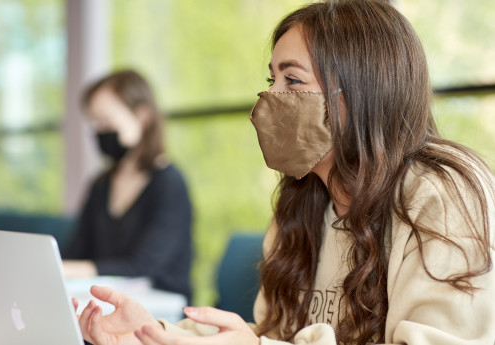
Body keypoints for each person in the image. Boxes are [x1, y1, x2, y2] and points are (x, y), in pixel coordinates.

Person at [74, 1, 495, 344]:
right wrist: (150, 332)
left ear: (363, 90)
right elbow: (270, 333)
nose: (267, 99)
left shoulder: (445, 190)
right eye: (271, 79)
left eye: (291, 81)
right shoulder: (304, 198)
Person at [63, 69, 193, 302]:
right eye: (94, 123)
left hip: (158, 312)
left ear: (142, 116)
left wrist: (72, 269)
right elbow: (76, 250)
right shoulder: (101, 185)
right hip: (103, 304)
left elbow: (145, 266)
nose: (99, 131)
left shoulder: (169, 185)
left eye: (106, 121)